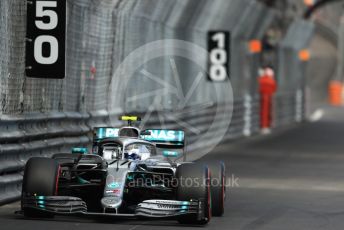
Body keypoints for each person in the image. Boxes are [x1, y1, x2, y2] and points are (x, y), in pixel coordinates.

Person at [258, 67, 277, 134]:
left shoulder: (262, 79)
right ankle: (265, 126)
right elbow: (274, 88)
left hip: (264, 97)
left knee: (264, 112)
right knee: (266, 112)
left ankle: (265, 126)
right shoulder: (270, 80)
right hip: (268, 97)